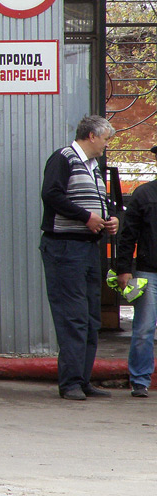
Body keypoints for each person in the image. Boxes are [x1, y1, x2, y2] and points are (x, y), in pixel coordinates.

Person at [40, 114, 119, 401]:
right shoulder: (64, 158)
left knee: (89, 317)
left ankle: (83, 379)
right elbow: (51, 194)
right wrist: (85, 217)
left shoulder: (93, 167)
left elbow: (101, 202)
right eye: (105, 139)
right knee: (72, 316)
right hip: (65, 247)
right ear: (91, 136)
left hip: (87, 248)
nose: (106, 145)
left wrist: (110, 219)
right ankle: (70, 382)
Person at [114, 143, 157, 398]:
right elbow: (127, 235)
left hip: (147, 270)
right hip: (147, 271)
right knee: (143, 329)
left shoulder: (144, 194)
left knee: (143, 329)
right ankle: (140, 381)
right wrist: (123, 270)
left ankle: (140, 379)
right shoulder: (143, 195)